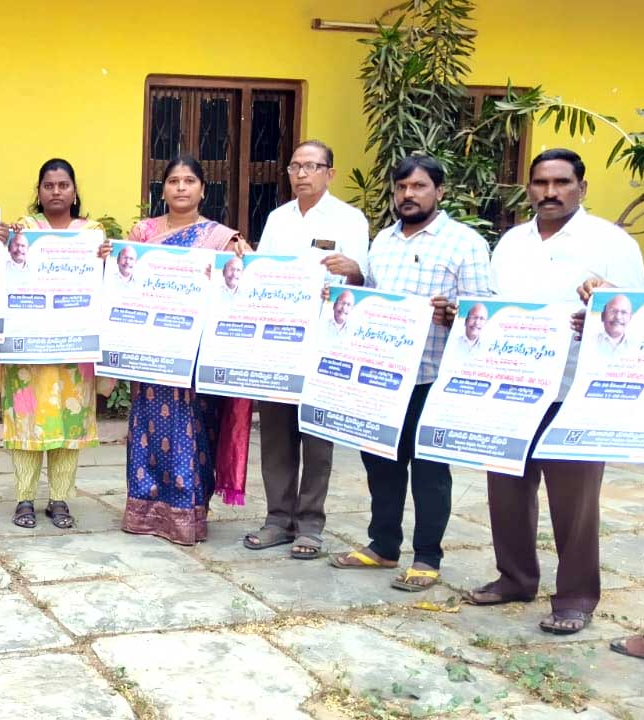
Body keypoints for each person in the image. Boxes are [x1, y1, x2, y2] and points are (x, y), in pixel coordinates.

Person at [466, 148, 644, 634]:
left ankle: (575, 597)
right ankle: (515, 578)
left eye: (562, 182)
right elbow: (494, 307)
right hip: (513, 386)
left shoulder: (610, 243)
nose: (550, 192)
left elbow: (635, 317)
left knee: (575, 503)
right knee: (506, 488)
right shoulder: (511, 242)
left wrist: (602, 315)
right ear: (529, 189)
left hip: (575, 393)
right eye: (541, 183)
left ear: (581, 188)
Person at [329, 155, 492, 592]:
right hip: (382, 376)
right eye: (401, 187)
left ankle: (426, 557)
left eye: (418, 187)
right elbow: (371, 301)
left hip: (432, 377)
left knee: (429, 472)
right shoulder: (383, 241)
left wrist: (454, 315)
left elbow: (482, 316)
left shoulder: (465, 243)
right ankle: (383, 545)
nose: (408, 195)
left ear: (439, 191)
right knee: (381, 464)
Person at [244, 139, 367, 560]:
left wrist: (354, 271)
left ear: (330, 173)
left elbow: (363, 281)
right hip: (279, 342)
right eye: (295, 166)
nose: (301, 173)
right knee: (276, 435)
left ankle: (311, 524)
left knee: (317, 437)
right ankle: (278, 518)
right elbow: (262, 275)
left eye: (311, 166)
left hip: (326, 343)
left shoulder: (350, 220)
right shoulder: (278, 218)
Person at [121, 155, 253, 546]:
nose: (181, 187)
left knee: (191, 428)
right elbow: (123, 279)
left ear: (203, 190)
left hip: (194, 349)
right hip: (151, 347)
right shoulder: (142, 233)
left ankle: (188, 511)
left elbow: (242, 282)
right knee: (147, 427)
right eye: (174, 180)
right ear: (162, 189)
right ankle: (145, 508)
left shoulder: (222, 239)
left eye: (189, 180)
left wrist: (238, 264)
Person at [0, 158, 111, 530]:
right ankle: (24, 498)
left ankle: (59, 499)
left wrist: (108, 261)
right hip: (29, 353)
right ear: (38, 191)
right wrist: (1, 244)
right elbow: (3, 274)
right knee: (27, 421)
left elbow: (107, 284)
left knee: (69, 423)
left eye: (63, 185)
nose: (56, 191)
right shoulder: (23, 231)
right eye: (49, 185)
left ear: (74, 191)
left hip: (74, 352)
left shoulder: (92, 234)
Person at [595, 294, 634, 358]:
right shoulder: (588, 342)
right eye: (613, 311)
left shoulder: (638, 346)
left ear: (630, 318)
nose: (618, 317)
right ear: (603, 316)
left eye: (624, 312)